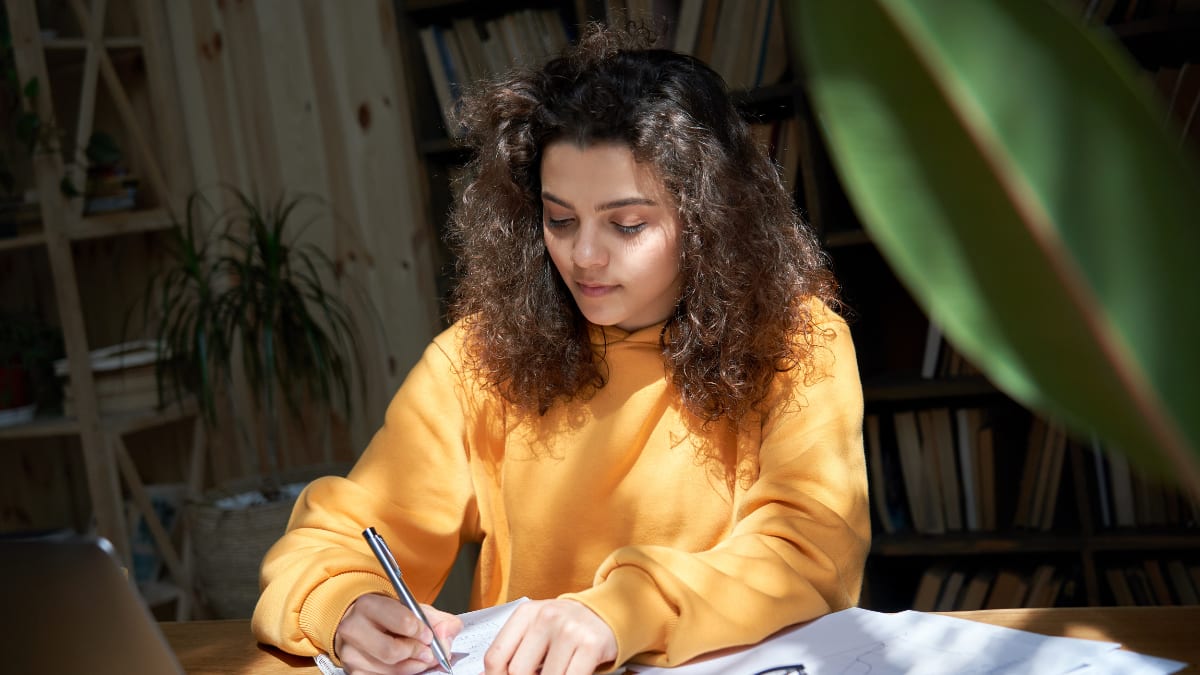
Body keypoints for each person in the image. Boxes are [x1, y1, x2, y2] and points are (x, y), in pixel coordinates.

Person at [252, 21, 870, 675]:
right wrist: (344, 604)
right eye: (560, 219)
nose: (585, 256)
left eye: (627, 224)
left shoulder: (801, 343)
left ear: (709, 218)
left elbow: (808, 551)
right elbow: (334, 538)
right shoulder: (477, 358)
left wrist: (621, 610)